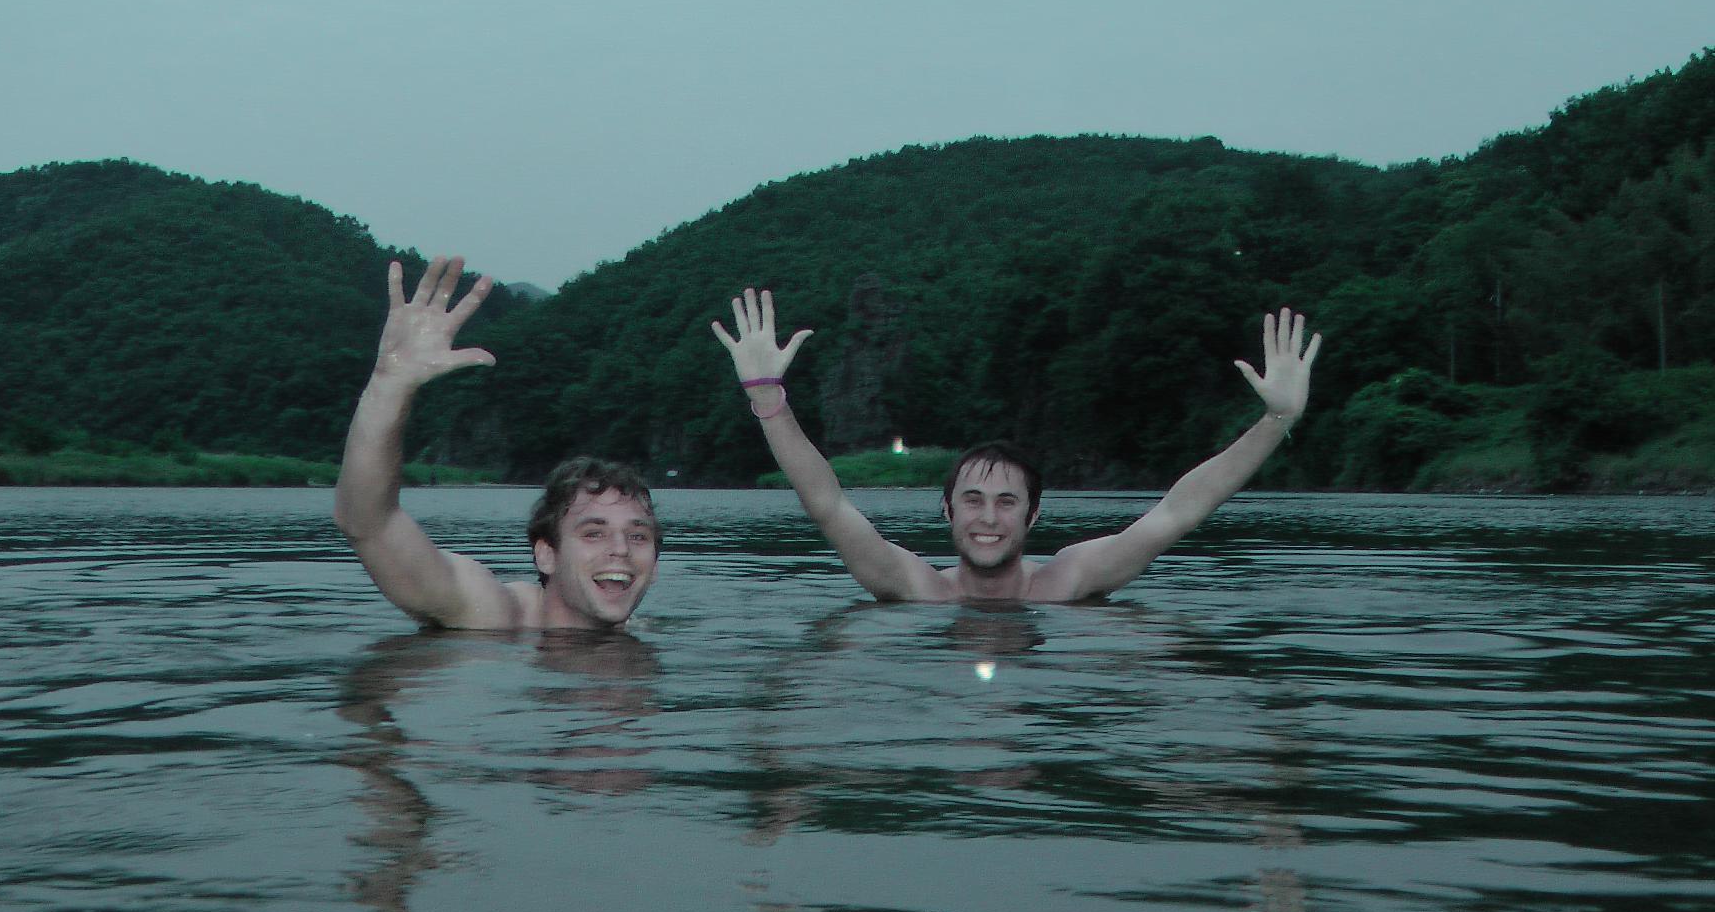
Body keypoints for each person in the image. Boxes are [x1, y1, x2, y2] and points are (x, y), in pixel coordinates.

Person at [711, 288, 1322, 604]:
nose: (988, 518)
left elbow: (1179, 512)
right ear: (946, 510)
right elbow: (828, 504)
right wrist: (768, 398)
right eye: (973, 500)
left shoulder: (1070, 580)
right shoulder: (913, 586)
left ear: (1034, 515)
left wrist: (1274, 420)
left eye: (1007, 503)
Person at [335, 255, 659, 629]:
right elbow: (367, 521)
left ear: (655, 566)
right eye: (593, 533)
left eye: (638, 535)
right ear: (546, 555)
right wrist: (390, 383)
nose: (620, 550)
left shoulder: (645, 632)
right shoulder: (494, 615)